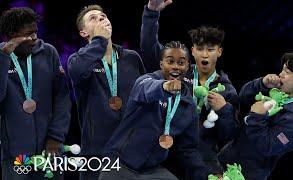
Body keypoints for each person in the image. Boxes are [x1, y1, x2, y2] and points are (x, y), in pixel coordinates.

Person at [140, 0, 239, 176]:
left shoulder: (228, 91)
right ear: (192, 51)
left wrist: (224, 110)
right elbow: (149, 48)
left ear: (219, 52)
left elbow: (229, 136)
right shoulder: (178, 70)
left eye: (210, 49)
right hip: (164, 153)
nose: (205, 54)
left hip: (201, 159)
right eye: (200, 49)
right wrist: (151, 13)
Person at [99, 41, 216, 180]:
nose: (175, 67)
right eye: (170, 61)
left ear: (187, 68)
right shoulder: (145, 81)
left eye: (181, 62)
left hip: (151, 171)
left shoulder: (189, 105)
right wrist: (165, 87)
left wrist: (208, 175)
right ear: (161, 64)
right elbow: (146, 89)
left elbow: (187, 149)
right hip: (119, 163)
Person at [67, 4, 145, 180]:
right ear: (84, 33)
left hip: (133, 150)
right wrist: (100, 41)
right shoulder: (78, 60)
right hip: (97, 153)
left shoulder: (132, 58)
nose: (101, 18)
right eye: (93, 18)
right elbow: (78, 72)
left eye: (103, 15)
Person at [218, 51, 293, 180]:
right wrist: (262, 84)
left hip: (246, 175)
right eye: (282, 70)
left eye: (287, 72)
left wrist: (257, 117)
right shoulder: (276, 90)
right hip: (225, 159)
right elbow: (242, 97)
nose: (280, 75)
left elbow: (268, 146)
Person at [0, 7, 71, 179]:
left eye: (35, 32)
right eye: (28, 34)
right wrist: (3, 58)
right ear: (12, 35)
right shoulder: (1, 58)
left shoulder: (48, 52)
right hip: (15, 156)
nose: (34, 38)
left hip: (50, 150)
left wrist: (56, 137)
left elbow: (62, 98)